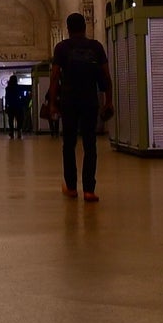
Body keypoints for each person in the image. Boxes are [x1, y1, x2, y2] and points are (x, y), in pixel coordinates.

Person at [46, 13, 113, 201]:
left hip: (69, 100)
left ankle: (71, 187)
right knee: (90, 144)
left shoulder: (62, 48)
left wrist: (52, 103)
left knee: (69, 144)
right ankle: (90, 190)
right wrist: (108, 100)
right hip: (90, 100)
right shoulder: (96, 47)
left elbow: (54, 76)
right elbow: (106, 77)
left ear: (68, 29)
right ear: (85, 27)